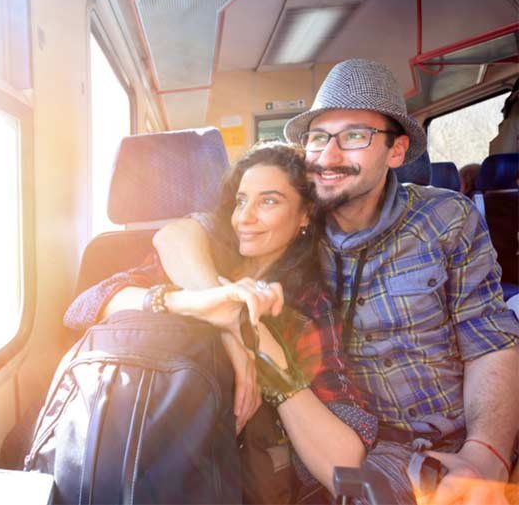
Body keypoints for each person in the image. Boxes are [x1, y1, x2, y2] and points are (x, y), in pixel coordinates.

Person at [153, 59, 519, 505]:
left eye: (354, 137)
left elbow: (491, 342)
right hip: (369, 447)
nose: (328, 156)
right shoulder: (289, 222)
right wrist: (228, 312)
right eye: (319, 137)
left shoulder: (446, 218)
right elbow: (178, 236)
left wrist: (486, 455)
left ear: (397, 151)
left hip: (471, 430)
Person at [64, 142, 377, 499]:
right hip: (120, 443)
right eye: (242, 200)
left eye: (269, 201)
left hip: (216, 474)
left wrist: (258, 342)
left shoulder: (308, 306)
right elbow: (83, 308)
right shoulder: (201, 258)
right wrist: (205, 305)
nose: (245, 217)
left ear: (305, 215)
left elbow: (344, 464)